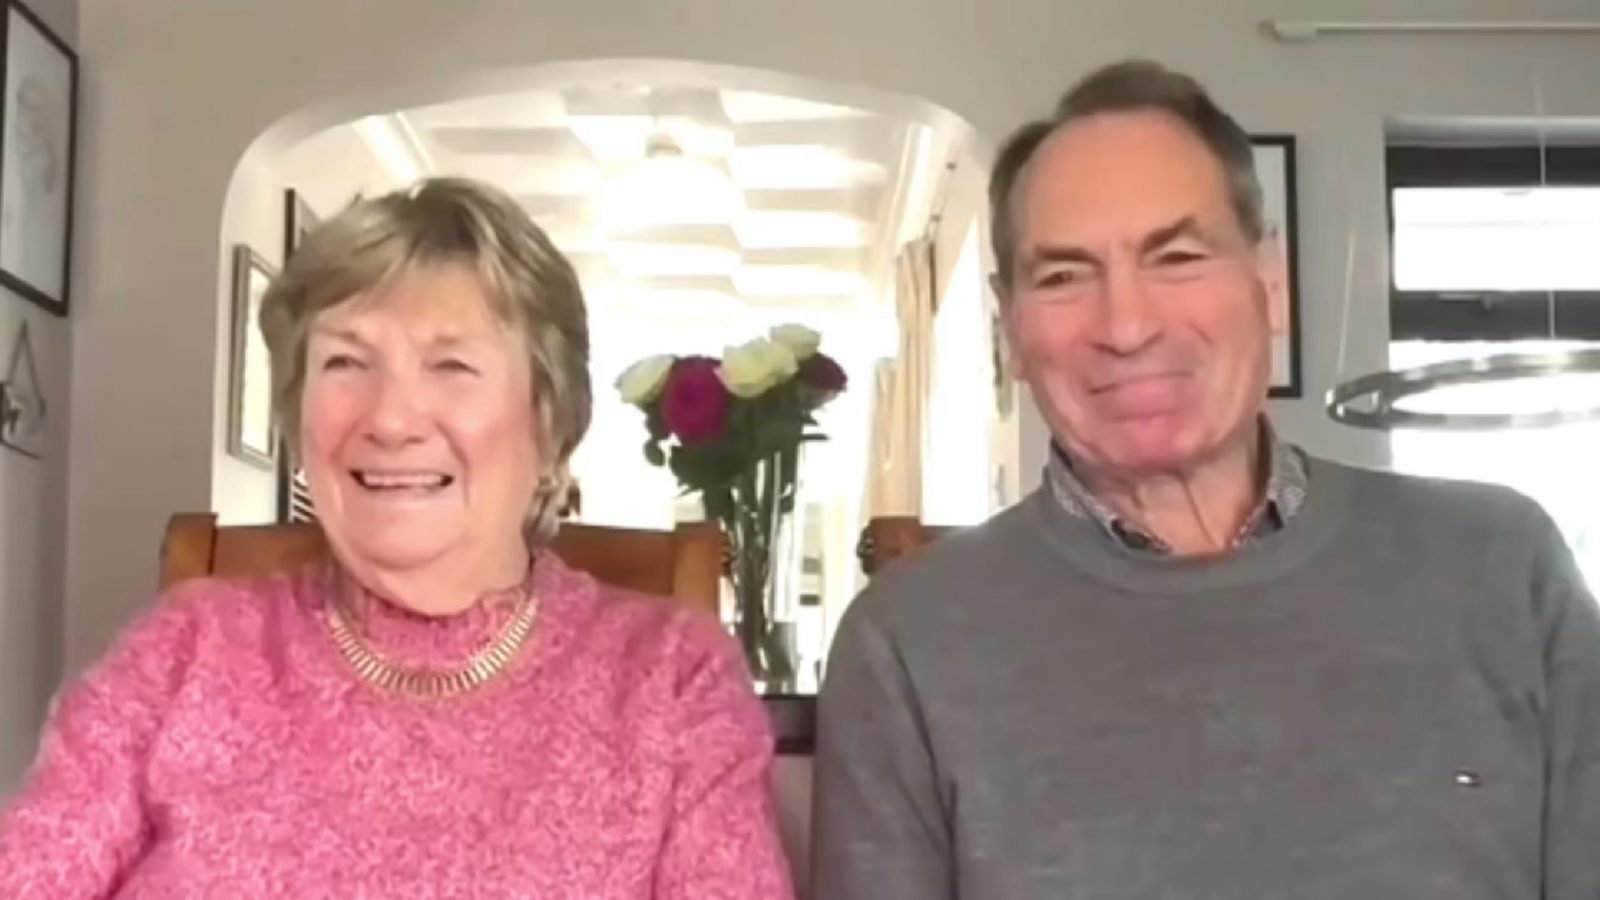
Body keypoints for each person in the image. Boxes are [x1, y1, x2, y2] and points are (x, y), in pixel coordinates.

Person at [812, 59, 1600, 899]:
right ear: (1009, 331)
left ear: (1270, 284)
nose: (1127, 326)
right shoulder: (907, 645)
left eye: (1177, 256)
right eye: (1065, 275)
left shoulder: (1500, 568)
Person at [0, 178, 794, 898]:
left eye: (450, 365)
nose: (388, 419)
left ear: (550, 426)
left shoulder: (670, 682)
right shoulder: (183, 651)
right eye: (346, 362)